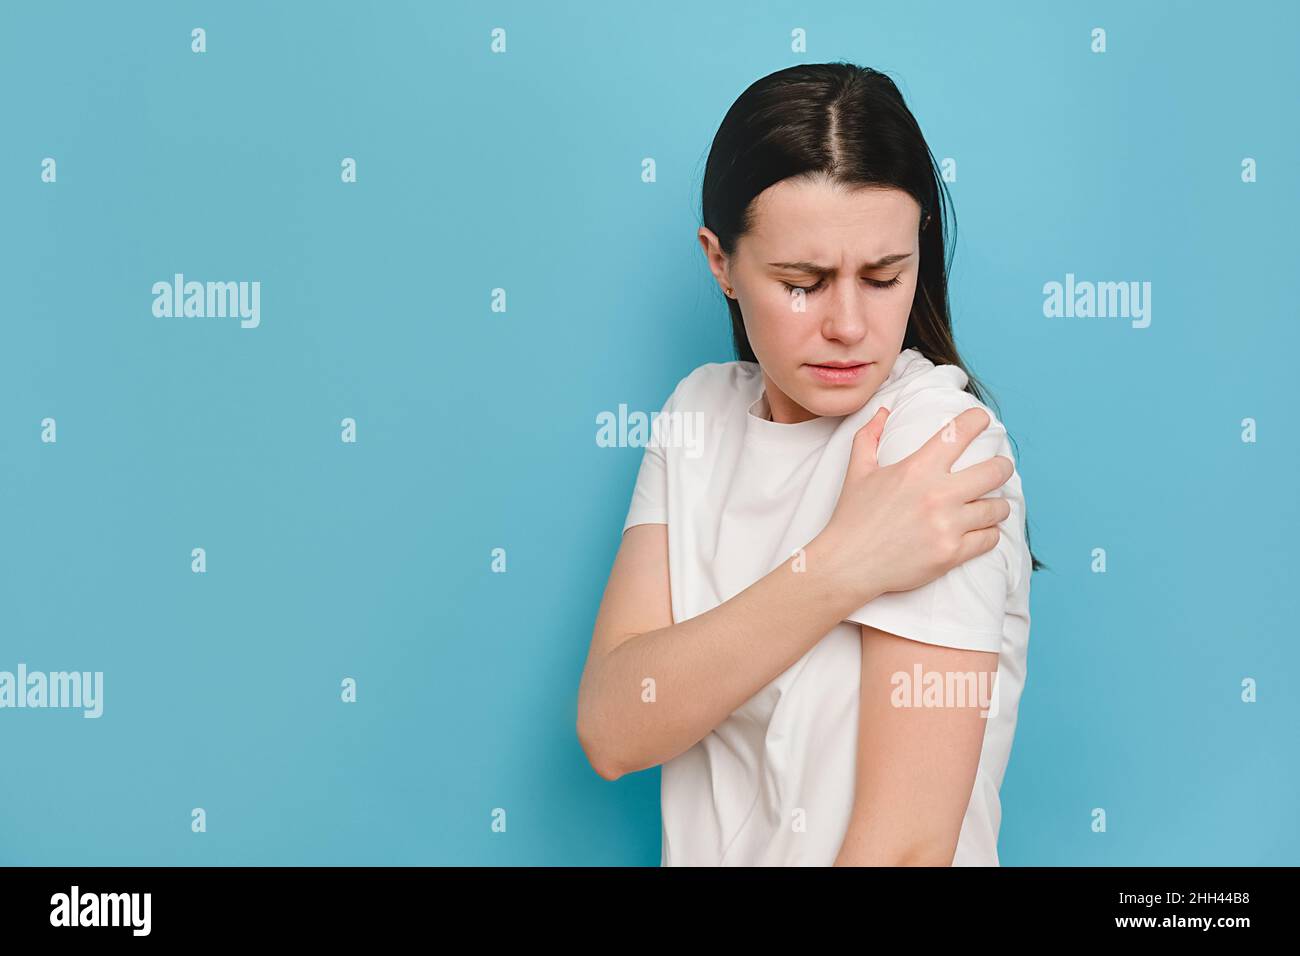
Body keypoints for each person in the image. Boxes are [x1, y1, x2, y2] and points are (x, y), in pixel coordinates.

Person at [577, 62, 1042, 866]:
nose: (851, 325)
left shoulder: (935, 443)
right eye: (803, 283)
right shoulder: (699, 414)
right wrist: (838, 566)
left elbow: (906, 849)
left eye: (885, 276)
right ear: (720, 263)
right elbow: (615, 728)